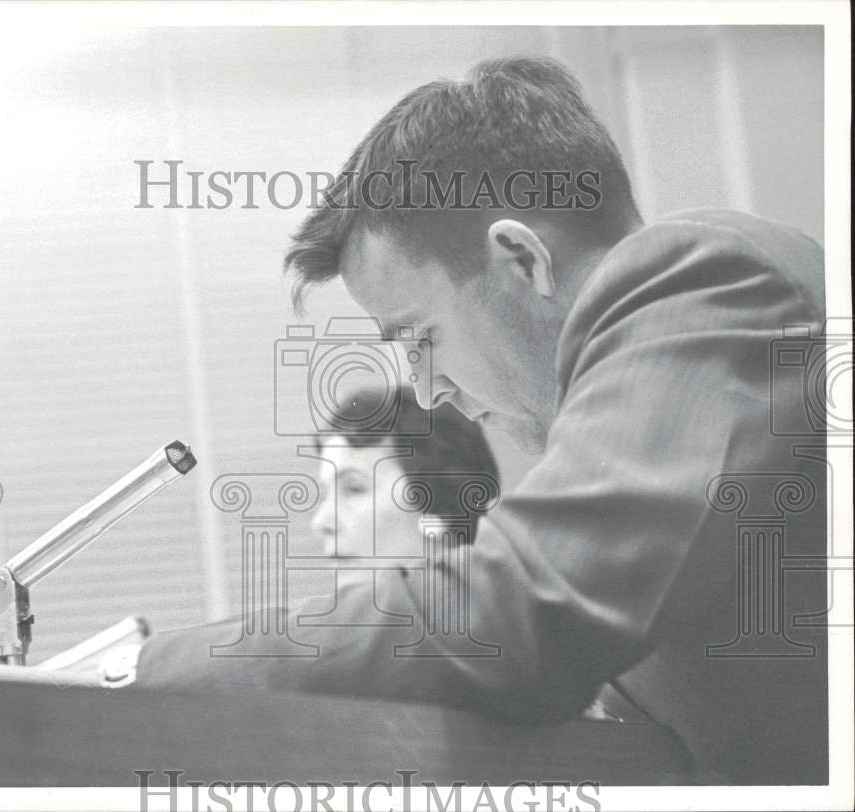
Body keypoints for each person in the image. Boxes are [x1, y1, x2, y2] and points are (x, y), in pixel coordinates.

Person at [137, 57, 827, 784]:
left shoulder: (703, 275)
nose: (429, 394)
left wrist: (148, 672)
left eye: (419, 339)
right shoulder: (637, 390)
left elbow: (524, 616)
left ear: (522, 258)